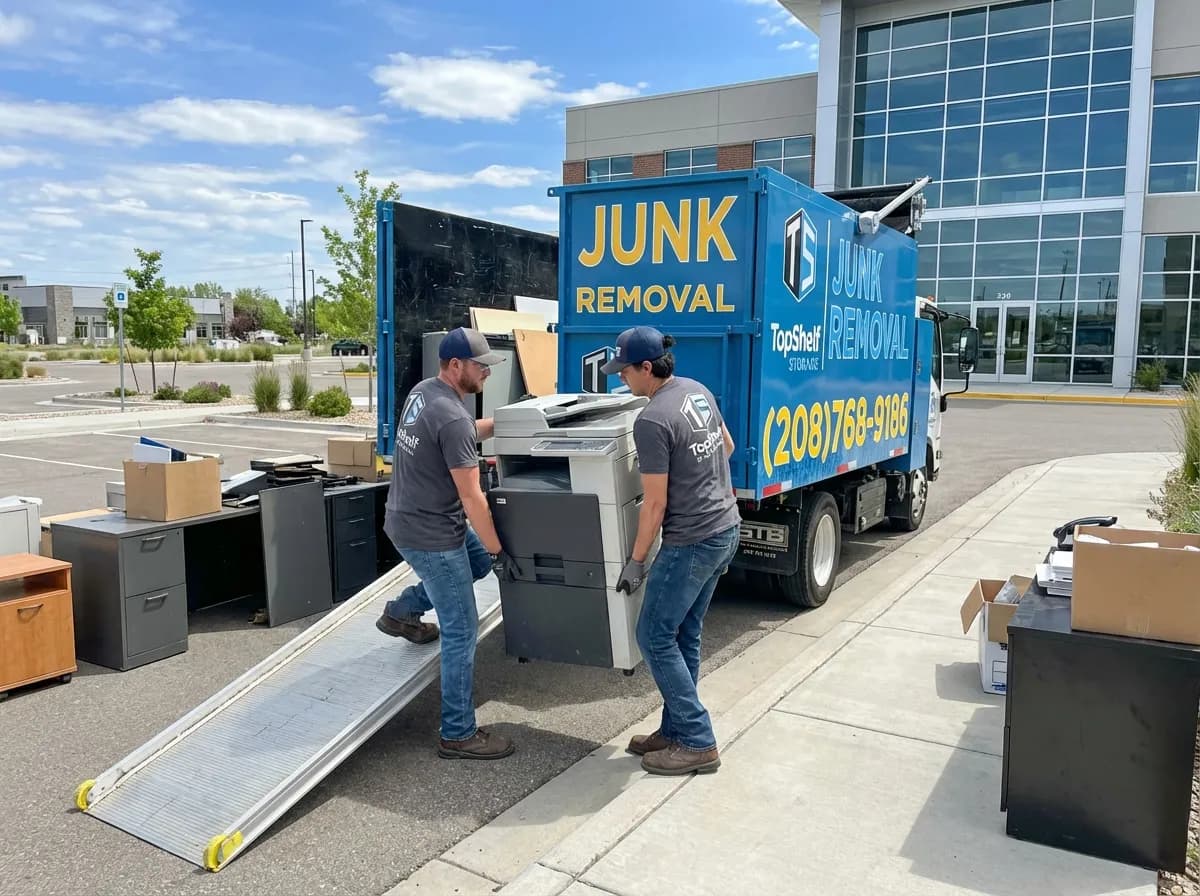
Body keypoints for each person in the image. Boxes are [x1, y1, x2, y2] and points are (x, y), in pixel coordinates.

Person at [377, 326, 522, 761]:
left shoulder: (426, 393)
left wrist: (508, 422)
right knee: (461, 628)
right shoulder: (452, 416)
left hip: (407, 519)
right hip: (431, 535)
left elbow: (456, 432)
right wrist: (499, 550)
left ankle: (400, 613)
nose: (487, 375)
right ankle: (457, 732)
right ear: (456, 365)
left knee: (471, 566)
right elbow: (473, 497)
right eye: (481, 366)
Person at [603, 326, 741, 776]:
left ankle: (698, 740)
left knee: (654, 635)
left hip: (693, 540)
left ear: (646, 368)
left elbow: (656, 504)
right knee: (685, 635)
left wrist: (636, 561)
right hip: (726, 527)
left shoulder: (651, 419)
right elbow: (727, 446)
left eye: (624, 371)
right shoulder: (696, 391)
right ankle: (676, 729)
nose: (621, 379)